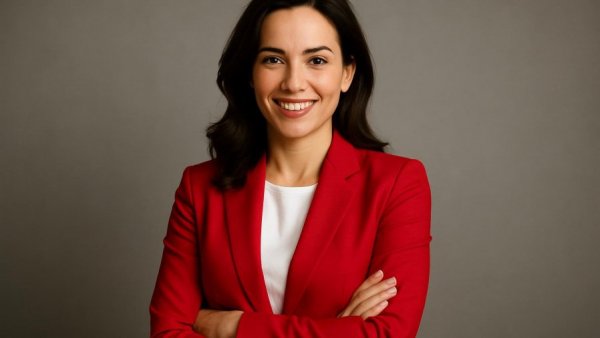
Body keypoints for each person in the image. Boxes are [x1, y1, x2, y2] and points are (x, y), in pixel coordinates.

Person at [150, 0, 431, 337]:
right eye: (273, 59)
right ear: (250, 73)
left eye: (317, 60)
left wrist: (233, 326)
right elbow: (168, 331)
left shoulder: (397, 184)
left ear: (347, 73)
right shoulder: (199, 187)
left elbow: (389, 334)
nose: (294, 82)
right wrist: (337, 330)